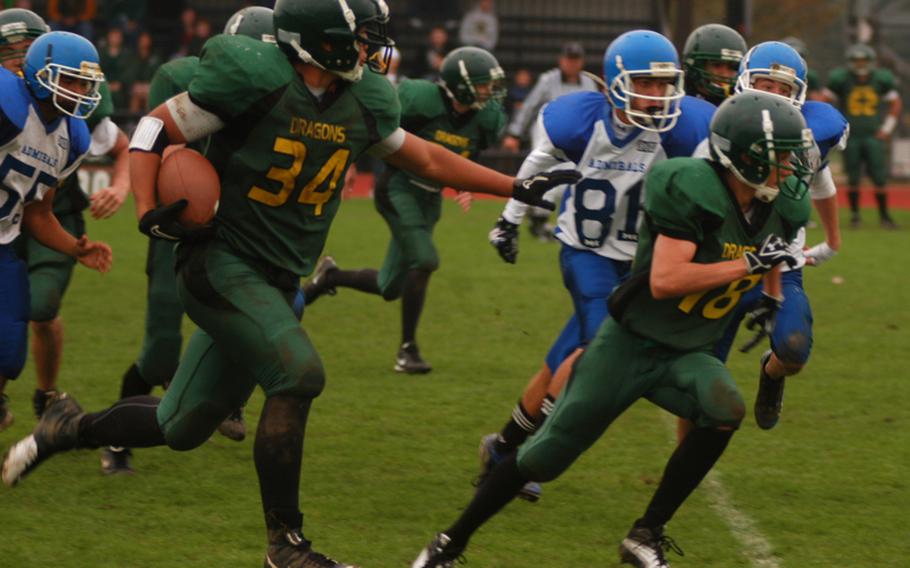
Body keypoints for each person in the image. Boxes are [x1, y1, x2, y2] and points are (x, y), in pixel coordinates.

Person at [1, 3, 575, 568]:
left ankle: (64, 428)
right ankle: (287, 546)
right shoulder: (255, 78)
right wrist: (148, 207)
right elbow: (156, 127)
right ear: (320, 42)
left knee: (178, 425)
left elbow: (422, 158)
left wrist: (515, 186)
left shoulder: (363, 97)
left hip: (277, 274)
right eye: (362, 38)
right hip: (220, 262)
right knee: (299, 373)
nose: (373, 50)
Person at [412, 89, 814, 568]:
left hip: (687, 351)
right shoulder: (691, 186)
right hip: (629, 344)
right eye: (781, 157)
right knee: (544, 459)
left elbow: (775, 244)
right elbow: (666, 280)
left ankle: (646, 533)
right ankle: (449, 543)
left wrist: (771, 294)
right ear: (746, 158)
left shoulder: (782, 204)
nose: (791, 167)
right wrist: (747, 264)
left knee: (724, 404)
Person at [481, 30, 714, 502]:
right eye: (646, 83)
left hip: (637, 268)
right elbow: (537, 162)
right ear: (614, 83)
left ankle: (502, 446)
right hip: (585, 253)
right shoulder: (582, 121)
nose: (657, 94)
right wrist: (509, 219)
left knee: (566, 354)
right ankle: (533, 457)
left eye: (664, 84)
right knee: (597, 349)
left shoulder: (682, 130)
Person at [101, 4, 278, 475]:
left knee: (255, 321)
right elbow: (161, 144)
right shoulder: (179, 76)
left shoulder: (285, 91)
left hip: (240, 224)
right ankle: (114, 437)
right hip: (180, 218)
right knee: (161, 348)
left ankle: (232, 397)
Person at [302, 46, 507, 373]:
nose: (489, 91)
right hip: (398, 189)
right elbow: (374, 126)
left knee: (389, 287)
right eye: (483, 84)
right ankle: (407, 350)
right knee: (425, 259)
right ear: (461, 83)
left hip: (430, 200)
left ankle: (330, 276)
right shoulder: (420, 101)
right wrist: (351, 162)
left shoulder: (484, 119)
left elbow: (470, 153)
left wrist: (466, 183)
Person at [692, 41, 847, 436]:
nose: (774, 96)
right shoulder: (724, 127)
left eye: (784, 90)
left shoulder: (808, 133)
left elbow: (822, 181)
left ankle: (771, 372)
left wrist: (832, 239)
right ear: (745, 83)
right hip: (726, 262)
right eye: (765, 84)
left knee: (793, 350)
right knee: (702, 374)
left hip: (783, 264)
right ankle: (688, 452)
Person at [0, 9, 128, 429]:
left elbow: (38, 212)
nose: (79, 90)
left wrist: (77, 247)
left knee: (9, 348)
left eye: (85, 82)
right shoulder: (7, 100)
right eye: (69, 79)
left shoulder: (71, 137)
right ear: (39, 73)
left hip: (5, 240)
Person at [500, 41, 598, 239]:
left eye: (575, 59)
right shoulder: (548, 80)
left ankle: (539, 217)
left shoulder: (589, 83)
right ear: (561, 60)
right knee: (546, 172)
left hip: (576, 136)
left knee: (566, 177)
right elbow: (529, 106)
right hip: (547, 132)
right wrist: (515, 133)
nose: (571, 63)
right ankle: (535, 218)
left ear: (581, 62)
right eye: (569, 59)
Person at [827, 43, 902, 229]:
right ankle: (855, 216)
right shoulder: (841, 79)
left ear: (871, 62)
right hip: (851, 136)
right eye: (856, 61)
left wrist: (887, 128)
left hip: (872, 135)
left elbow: (895, 103)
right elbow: (825, 102)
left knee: (879, 177)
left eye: (863, 61)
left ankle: (884, 216)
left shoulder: (881, 79)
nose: (860, 65)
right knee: (853, 177)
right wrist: (834, 126)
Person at [682, 23, 747, 106]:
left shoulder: (742, 106)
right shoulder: (676, 103)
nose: (725, 74)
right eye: (717, 65)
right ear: (695, 65)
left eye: (733, 67)